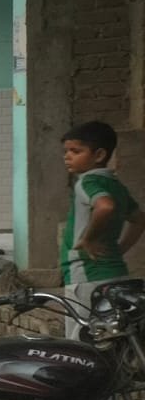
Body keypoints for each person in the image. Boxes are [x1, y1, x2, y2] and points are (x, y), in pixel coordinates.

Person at [61, 120, 144, 337]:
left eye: (75, 151)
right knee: (114, 337)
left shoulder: (86, 182)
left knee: (83, 341)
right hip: (116, 274)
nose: (67, 156)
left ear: (98, 155)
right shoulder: (116, 184)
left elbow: (105, 206)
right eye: (66, 151)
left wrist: (88, 239)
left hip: (87, 276)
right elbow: (139, 219)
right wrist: (120, 249)